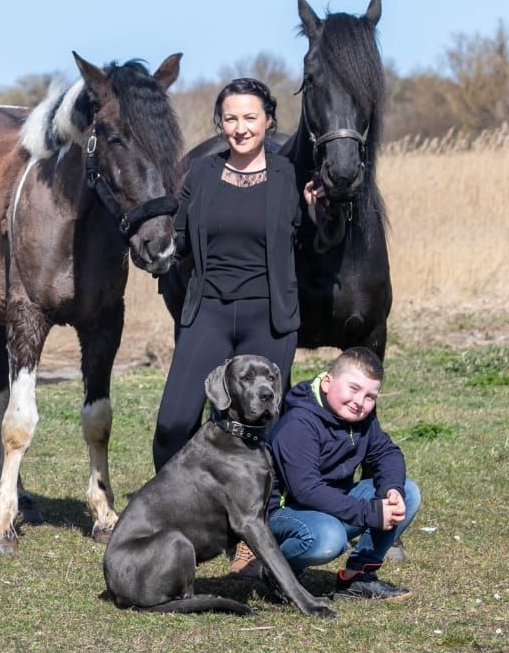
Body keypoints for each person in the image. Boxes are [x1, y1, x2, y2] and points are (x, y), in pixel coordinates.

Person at [152, 78, 321, 471]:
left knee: (258, 427)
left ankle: (254, 517)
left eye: (250, 117)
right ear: (220, 123)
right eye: (230, 118)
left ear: (269, 121)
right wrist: (155, 244)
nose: (240, 128)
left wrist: (317, 213)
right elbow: (177, 239)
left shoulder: (290, 176)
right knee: (173, 423)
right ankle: (175, 507)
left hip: (268, 316)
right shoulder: (202, 174)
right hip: (207, 311)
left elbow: (316, 247)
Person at [265, 346, 421, 601]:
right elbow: (306, 490)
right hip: (286, 513)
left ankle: (358, 577)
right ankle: (279, 573)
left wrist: (391, 490)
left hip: (331, 503)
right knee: (329, 538)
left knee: (409, 492)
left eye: (370, 396)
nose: (360, 402)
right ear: (327, 382)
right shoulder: (298, 424)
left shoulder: (362, 419)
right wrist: (370, 513)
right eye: (354, 388)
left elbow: (387, 454)